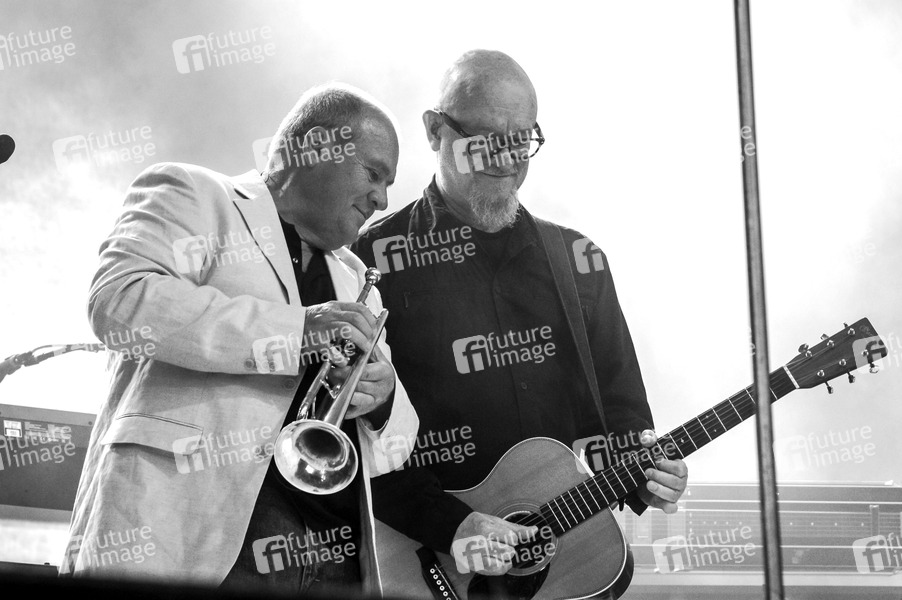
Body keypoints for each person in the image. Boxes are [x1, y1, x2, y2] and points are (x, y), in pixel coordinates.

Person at [60, 83, 418, 596]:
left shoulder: (360, 280)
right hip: (182, 538)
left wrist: (381, 400)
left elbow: (393, 451)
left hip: (334, 560)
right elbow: (120, 301)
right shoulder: (194, 192)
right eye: (374, 173)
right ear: (316, 146)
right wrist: (297, 332)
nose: (383, 199)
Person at [353, 50, 689, 575]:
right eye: (488, 139)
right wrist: (450, 527)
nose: (508, 160)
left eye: (522, 140)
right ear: (435, 130)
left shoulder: (579, 261)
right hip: (428, 567)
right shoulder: (369, 261)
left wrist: (648, 475)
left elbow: (620, 413)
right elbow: (358, 438)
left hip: (563, 567)